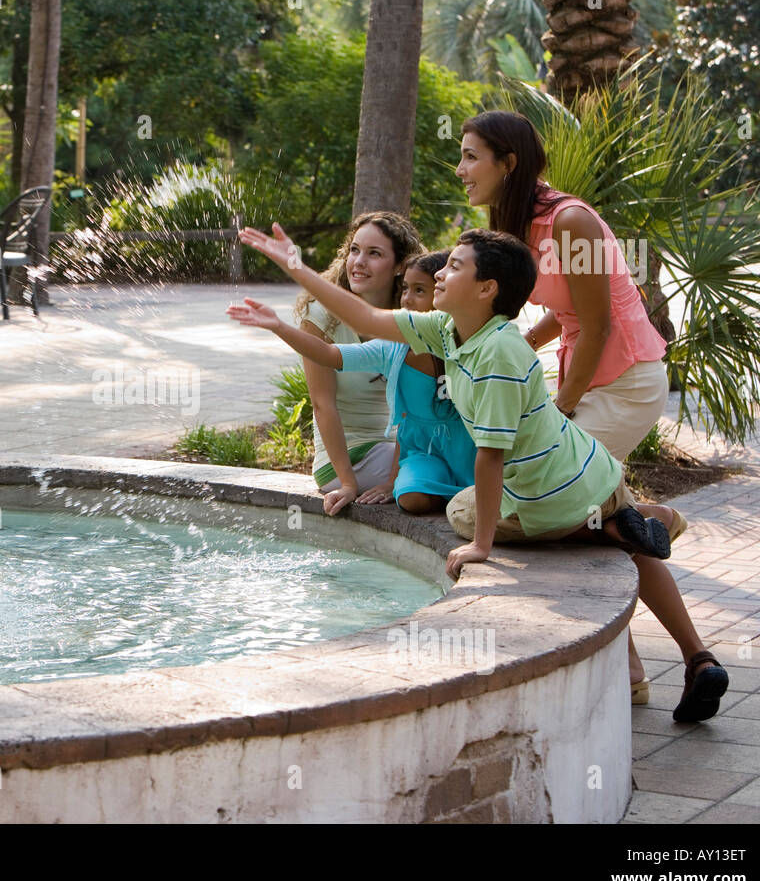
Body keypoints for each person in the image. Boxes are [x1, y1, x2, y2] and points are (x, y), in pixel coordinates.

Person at [235, 223, 729, 723]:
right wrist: (294, 273)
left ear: (487, 289)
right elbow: (362, 315)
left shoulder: (498, 355)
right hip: (595, 474)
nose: (440, 271)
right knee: (629, 548)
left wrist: (482, 547)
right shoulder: (448, 331)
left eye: (454, 266)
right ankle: (697, 653)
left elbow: (490, 458)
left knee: (462, 511)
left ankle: (611, 525)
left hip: (547, 495)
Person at [457, 110, 683, 703]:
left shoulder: (571, 221)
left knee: (562, 505)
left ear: (508, 163)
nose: (461, 170)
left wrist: (559, 410)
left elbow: (602, 323)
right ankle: (667, 661)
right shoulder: (519, 226)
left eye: (472, 156)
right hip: (591, 376)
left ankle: (654, 527)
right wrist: (517, 345)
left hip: (626, 382)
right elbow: (566, 312)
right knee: (592, 523)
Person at [235, 250, 475, 514]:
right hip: (424, 453)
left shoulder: (469, 342)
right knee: (410, 498)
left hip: (469, 446)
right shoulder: (393, 349)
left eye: (419, 291)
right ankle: (454, 498)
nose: (406, 299)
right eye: (405, 288)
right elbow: (328, 354)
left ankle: (467, 495)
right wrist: (278, 327)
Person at [291, 212, 423, 517]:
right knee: (439, 469)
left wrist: (393, 478)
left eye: (374, 253)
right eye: (354, 250)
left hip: (392, 450)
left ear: (400, 266)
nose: (358, 261)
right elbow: (322, 404)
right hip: (345, 459)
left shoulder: (408, 318)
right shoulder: (321, 316)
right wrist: (348, 484)